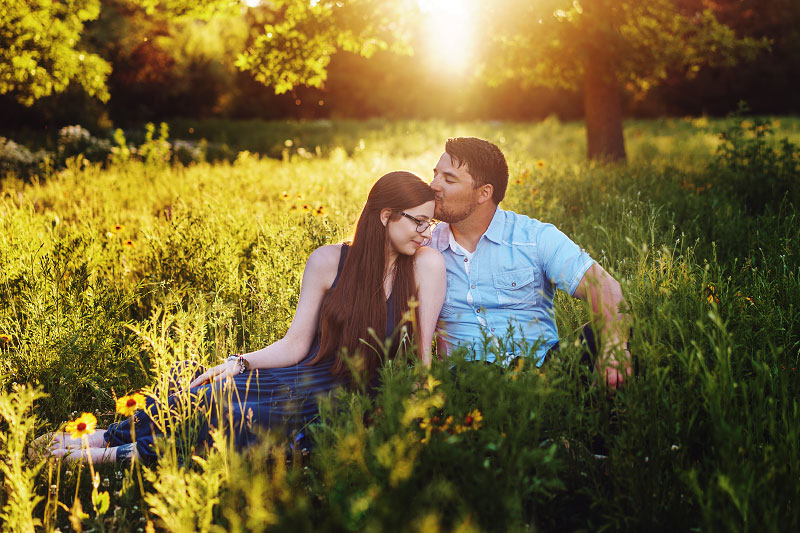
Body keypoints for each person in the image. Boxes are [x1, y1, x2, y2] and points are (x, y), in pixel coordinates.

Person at [45, 171, 446, 463]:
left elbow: (423, 355)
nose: (425, 233)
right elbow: (296, 343)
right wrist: (239, 362)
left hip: (349, 396)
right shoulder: (328, 261)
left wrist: (416, 409)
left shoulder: (425, 266)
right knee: (210, 391)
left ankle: (116, 456)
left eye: (430, 224)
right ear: (385, 215)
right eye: (418, 221)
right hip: (301, 376)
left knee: (237, 418)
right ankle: (107, 436)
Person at [429, 137, 631, 388]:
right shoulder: (425, 246)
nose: (433, 185)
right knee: (470, 370)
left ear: (484, 193)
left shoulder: (534, 237)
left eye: (448, 179)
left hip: (545, 371)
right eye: (435, 174)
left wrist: (614, 346)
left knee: (605, 332)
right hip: (469, 380)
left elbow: (604, 287)